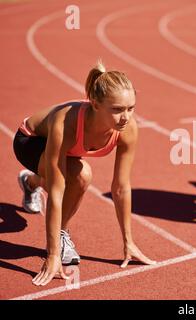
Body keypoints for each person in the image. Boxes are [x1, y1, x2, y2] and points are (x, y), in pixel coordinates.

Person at [13, 61, 156, 286]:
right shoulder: (66, 122)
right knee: (80, 176)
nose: (126, 117)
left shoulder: (127, 128)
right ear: (96, 105)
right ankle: (61, 236)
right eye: (117, 109)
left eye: (131, 108)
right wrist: (52, 255)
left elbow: (120, 188)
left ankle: (31, 182)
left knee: (71, 175)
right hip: (30, 141)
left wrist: (128, 241)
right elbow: (57, 193)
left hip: (64, 151)